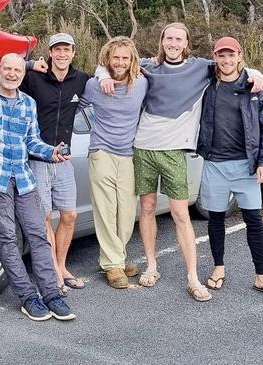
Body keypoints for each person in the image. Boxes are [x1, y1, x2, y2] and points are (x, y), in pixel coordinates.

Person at [97, 22, 263, 302]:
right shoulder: (148, 66)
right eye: (169, 38)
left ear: (186, 43)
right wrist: (102, 71)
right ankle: (151, 266)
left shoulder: (201, 67)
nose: (173, 43)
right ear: (162, 41)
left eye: (179, 39)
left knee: (181, 215)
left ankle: (193, 277)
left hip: (176, 151)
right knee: (147, 209)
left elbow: (232, 67)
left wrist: (255, 72)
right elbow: (113, 65)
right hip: (143, 148)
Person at [0, 53, 75, 321]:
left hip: (24, 179)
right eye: (7, 69)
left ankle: (51, 293)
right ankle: (28, 297)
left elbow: (32, 142)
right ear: (0, 70)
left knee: (38, 235)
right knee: (7, 238)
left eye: (18, 70)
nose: (13, 74)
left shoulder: (28, 103)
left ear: (23, 73)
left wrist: (52, 152)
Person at [196, 37, 263, 300]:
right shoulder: (207, 83)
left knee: (254, 221)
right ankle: (218, 267)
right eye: (221, 56)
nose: (226, 61)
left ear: (239, 55)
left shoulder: (254, 86)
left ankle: (261, 275)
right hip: (214, 164)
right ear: (215, 57)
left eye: (230, 55)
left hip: (246, 166)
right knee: (215, 219)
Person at [19, 33, 91, 293]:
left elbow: (106, 80)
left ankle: (62, 266)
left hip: (64, 159)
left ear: (73, 52)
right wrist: (27, 64)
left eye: (66, 50)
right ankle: (52, 274)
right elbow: (9, 75)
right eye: (57, 50)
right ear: (50, 52)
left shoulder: (81, 79)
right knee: (45, 217)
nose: (62, 54)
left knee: (70, 215)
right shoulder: (35, 77)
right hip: (37, 158)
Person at [78, 36, 147, 289]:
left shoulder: (142, 83)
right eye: (115, 58)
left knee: (127, 212)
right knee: (106, 211)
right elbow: (74, 107)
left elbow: (167, 66)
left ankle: (117, 256)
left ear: (132, 61)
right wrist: (100, 75)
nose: (120, 63)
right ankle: (112, 265)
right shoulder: (94, 85)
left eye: (125, 58)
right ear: (107, 59)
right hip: (101, 152)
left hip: (128, 154)